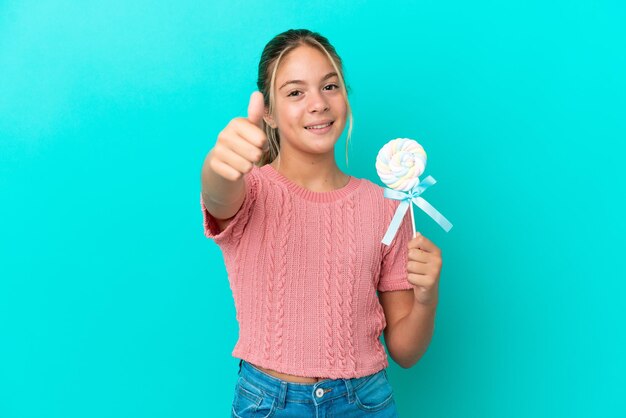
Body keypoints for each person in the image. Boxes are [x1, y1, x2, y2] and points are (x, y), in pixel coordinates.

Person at [200, 28, 443, 417]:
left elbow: (406, 351)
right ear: (269, 114)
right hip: (269, 403)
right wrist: (217, 166)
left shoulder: (388, 205)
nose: (318, 103)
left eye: (330, 86)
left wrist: (427, 298)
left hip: (366, 401)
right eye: (296, 92)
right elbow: (218, 195)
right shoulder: (251, 191)